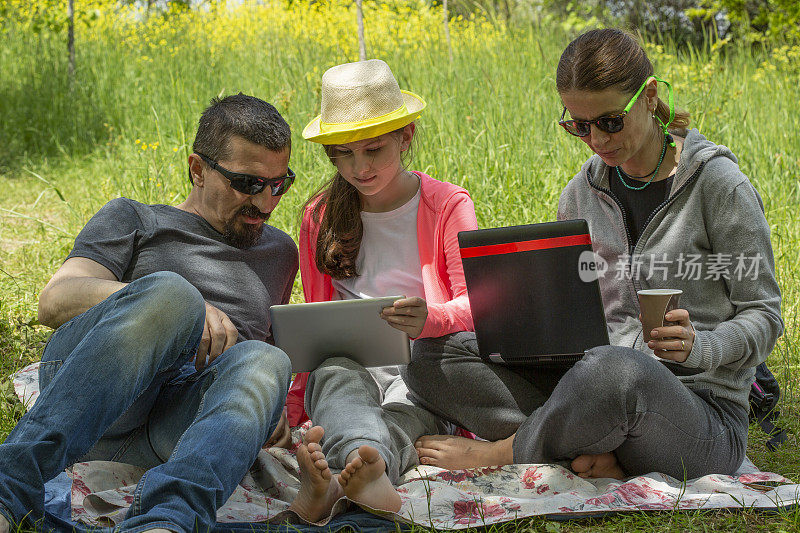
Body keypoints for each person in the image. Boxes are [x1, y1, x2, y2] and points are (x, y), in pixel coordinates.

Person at [405, 28, 784, 481]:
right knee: (429, 356)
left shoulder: (720, 188)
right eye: (578, 126)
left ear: (648, 96)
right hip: (592, 383)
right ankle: (590, 447)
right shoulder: (580, 194)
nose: (596, 140)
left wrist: (702, 347)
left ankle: (510, 449)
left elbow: (765, 315)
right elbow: (579, 314)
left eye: (609, 121)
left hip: (702, 414)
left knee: (618, 373)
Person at [0, 94, 300, 533]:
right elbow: (55, 300)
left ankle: (166, 520)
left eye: (279, 184)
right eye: (249, 184)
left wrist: (270, 403)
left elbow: (254, 353)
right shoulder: (134, 218)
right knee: (173, 295)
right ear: (198, 169)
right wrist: (185, 308)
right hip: (95, 401)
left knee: (268, 361)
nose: (267, 202)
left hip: (175, 434)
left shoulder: (280, 252)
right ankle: (9, 488)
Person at [284, 59, 478, 521]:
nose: (359, 167)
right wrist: (294, 410)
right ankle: (369, 470)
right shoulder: (320, 216)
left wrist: (432, 319)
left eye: (374, 150)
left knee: (405, 415)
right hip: (347, 369)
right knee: (338, 376)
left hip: (425, 371)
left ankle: (338, 478)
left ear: (405, 137)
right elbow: (316, 319)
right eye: (343, 154)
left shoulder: (448, 205)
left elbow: (476, 307)